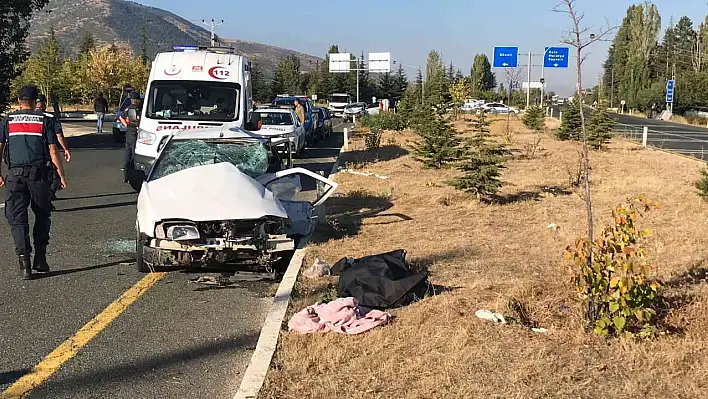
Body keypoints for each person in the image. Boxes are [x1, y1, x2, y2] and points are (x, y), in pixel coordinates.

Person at [0, 85, 67, 280]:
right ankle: (40, 258)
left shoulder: (7, 121)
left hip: (15, 177)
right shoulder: (43, 120)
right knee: (42, 215)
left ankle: (25, 264)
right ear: (35, 100)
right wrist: (61, 175)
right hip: (38, 176)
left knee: (17, 219)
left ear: (19, 100)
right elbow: (53, 150)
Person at [36, 95, 71, 209]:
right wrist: (65, 148)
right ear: (44, 104)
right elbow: (59, 134)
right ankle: (46, 198)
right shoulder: (50, 117)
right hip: (47, 150)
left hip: (30, 151)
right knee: (54, 176)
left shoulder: (27, 116)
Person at [119, 91, 142, 183]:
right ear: (136, 100)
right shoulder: (138, 110)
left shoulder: (127, 109)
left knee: (127, 155)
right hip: (135, 133)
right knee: (134, 155)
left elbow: (121, 117)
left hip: (129, 133)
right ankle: (134, 175)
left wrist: (127, 125)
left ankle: (126, 175)